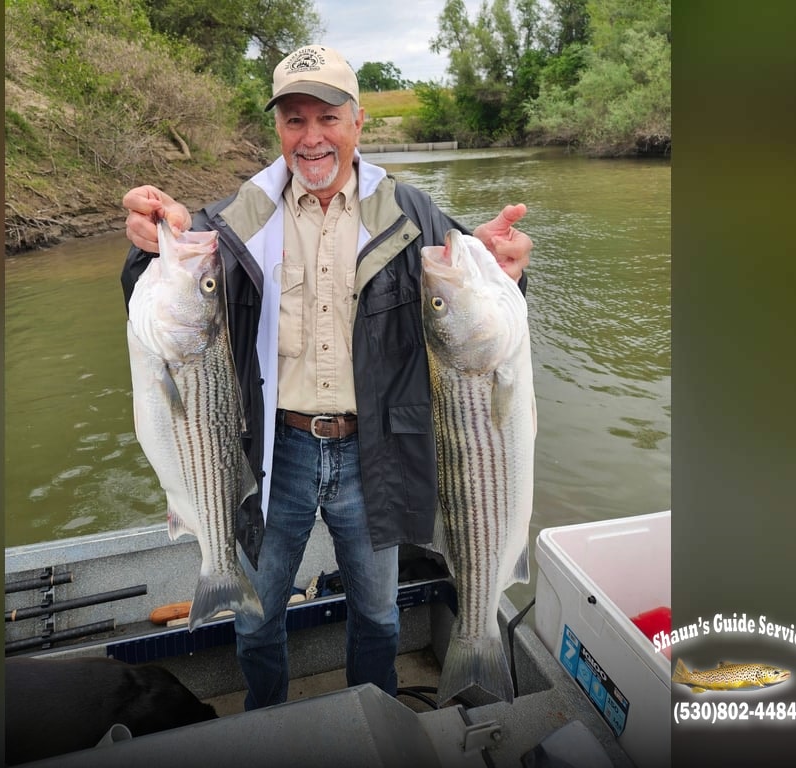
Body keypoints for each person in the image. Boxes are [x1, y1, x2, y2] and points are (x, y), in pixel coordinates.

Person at [120, 44, 532, 711]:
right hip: (274, 451)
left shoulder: (412, 211)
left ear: (359, 122)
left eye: (328, 117)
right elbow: (166, 309)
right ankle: (266, 720)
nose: (312, 138)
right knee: (257, 616)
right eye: (294, 120)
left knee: (380, 618)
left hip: (374, 453)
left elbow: (483, 307)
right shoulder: (235, 218)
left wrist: (502, 264)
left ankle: (374, 718)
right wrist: (145, 248)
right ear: (277, 129)